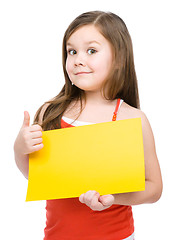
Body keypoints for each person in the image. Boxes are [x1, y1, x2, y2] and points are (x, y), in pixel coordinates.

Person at [14, 11, 163, 240]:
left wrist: (113, 196)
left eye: (91, 51)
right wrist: (20, 149)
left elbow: (154, 188)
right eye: (72, 51)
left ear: (119, 59)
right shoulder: (51, 112)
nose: (78, 59)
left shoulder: (132, 118)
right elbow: (37, 177)